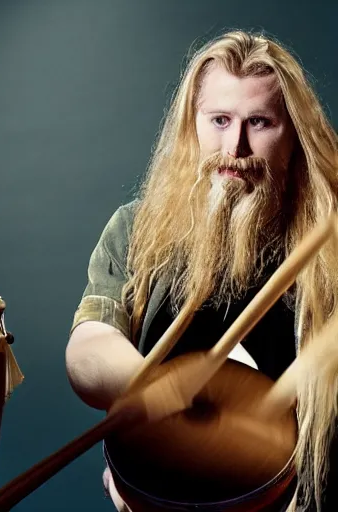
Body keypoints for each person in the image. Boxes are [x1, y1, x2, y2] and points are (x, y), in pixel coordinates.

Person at [65, 30, 338, 511]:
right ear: (192, 125)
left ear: (293, 135)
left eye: (259, 122)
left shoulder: (329, 242)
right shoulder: (136, 228)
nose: (235, 146)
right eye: (219, 120)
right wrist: (151, 390)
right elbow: (89, 349)